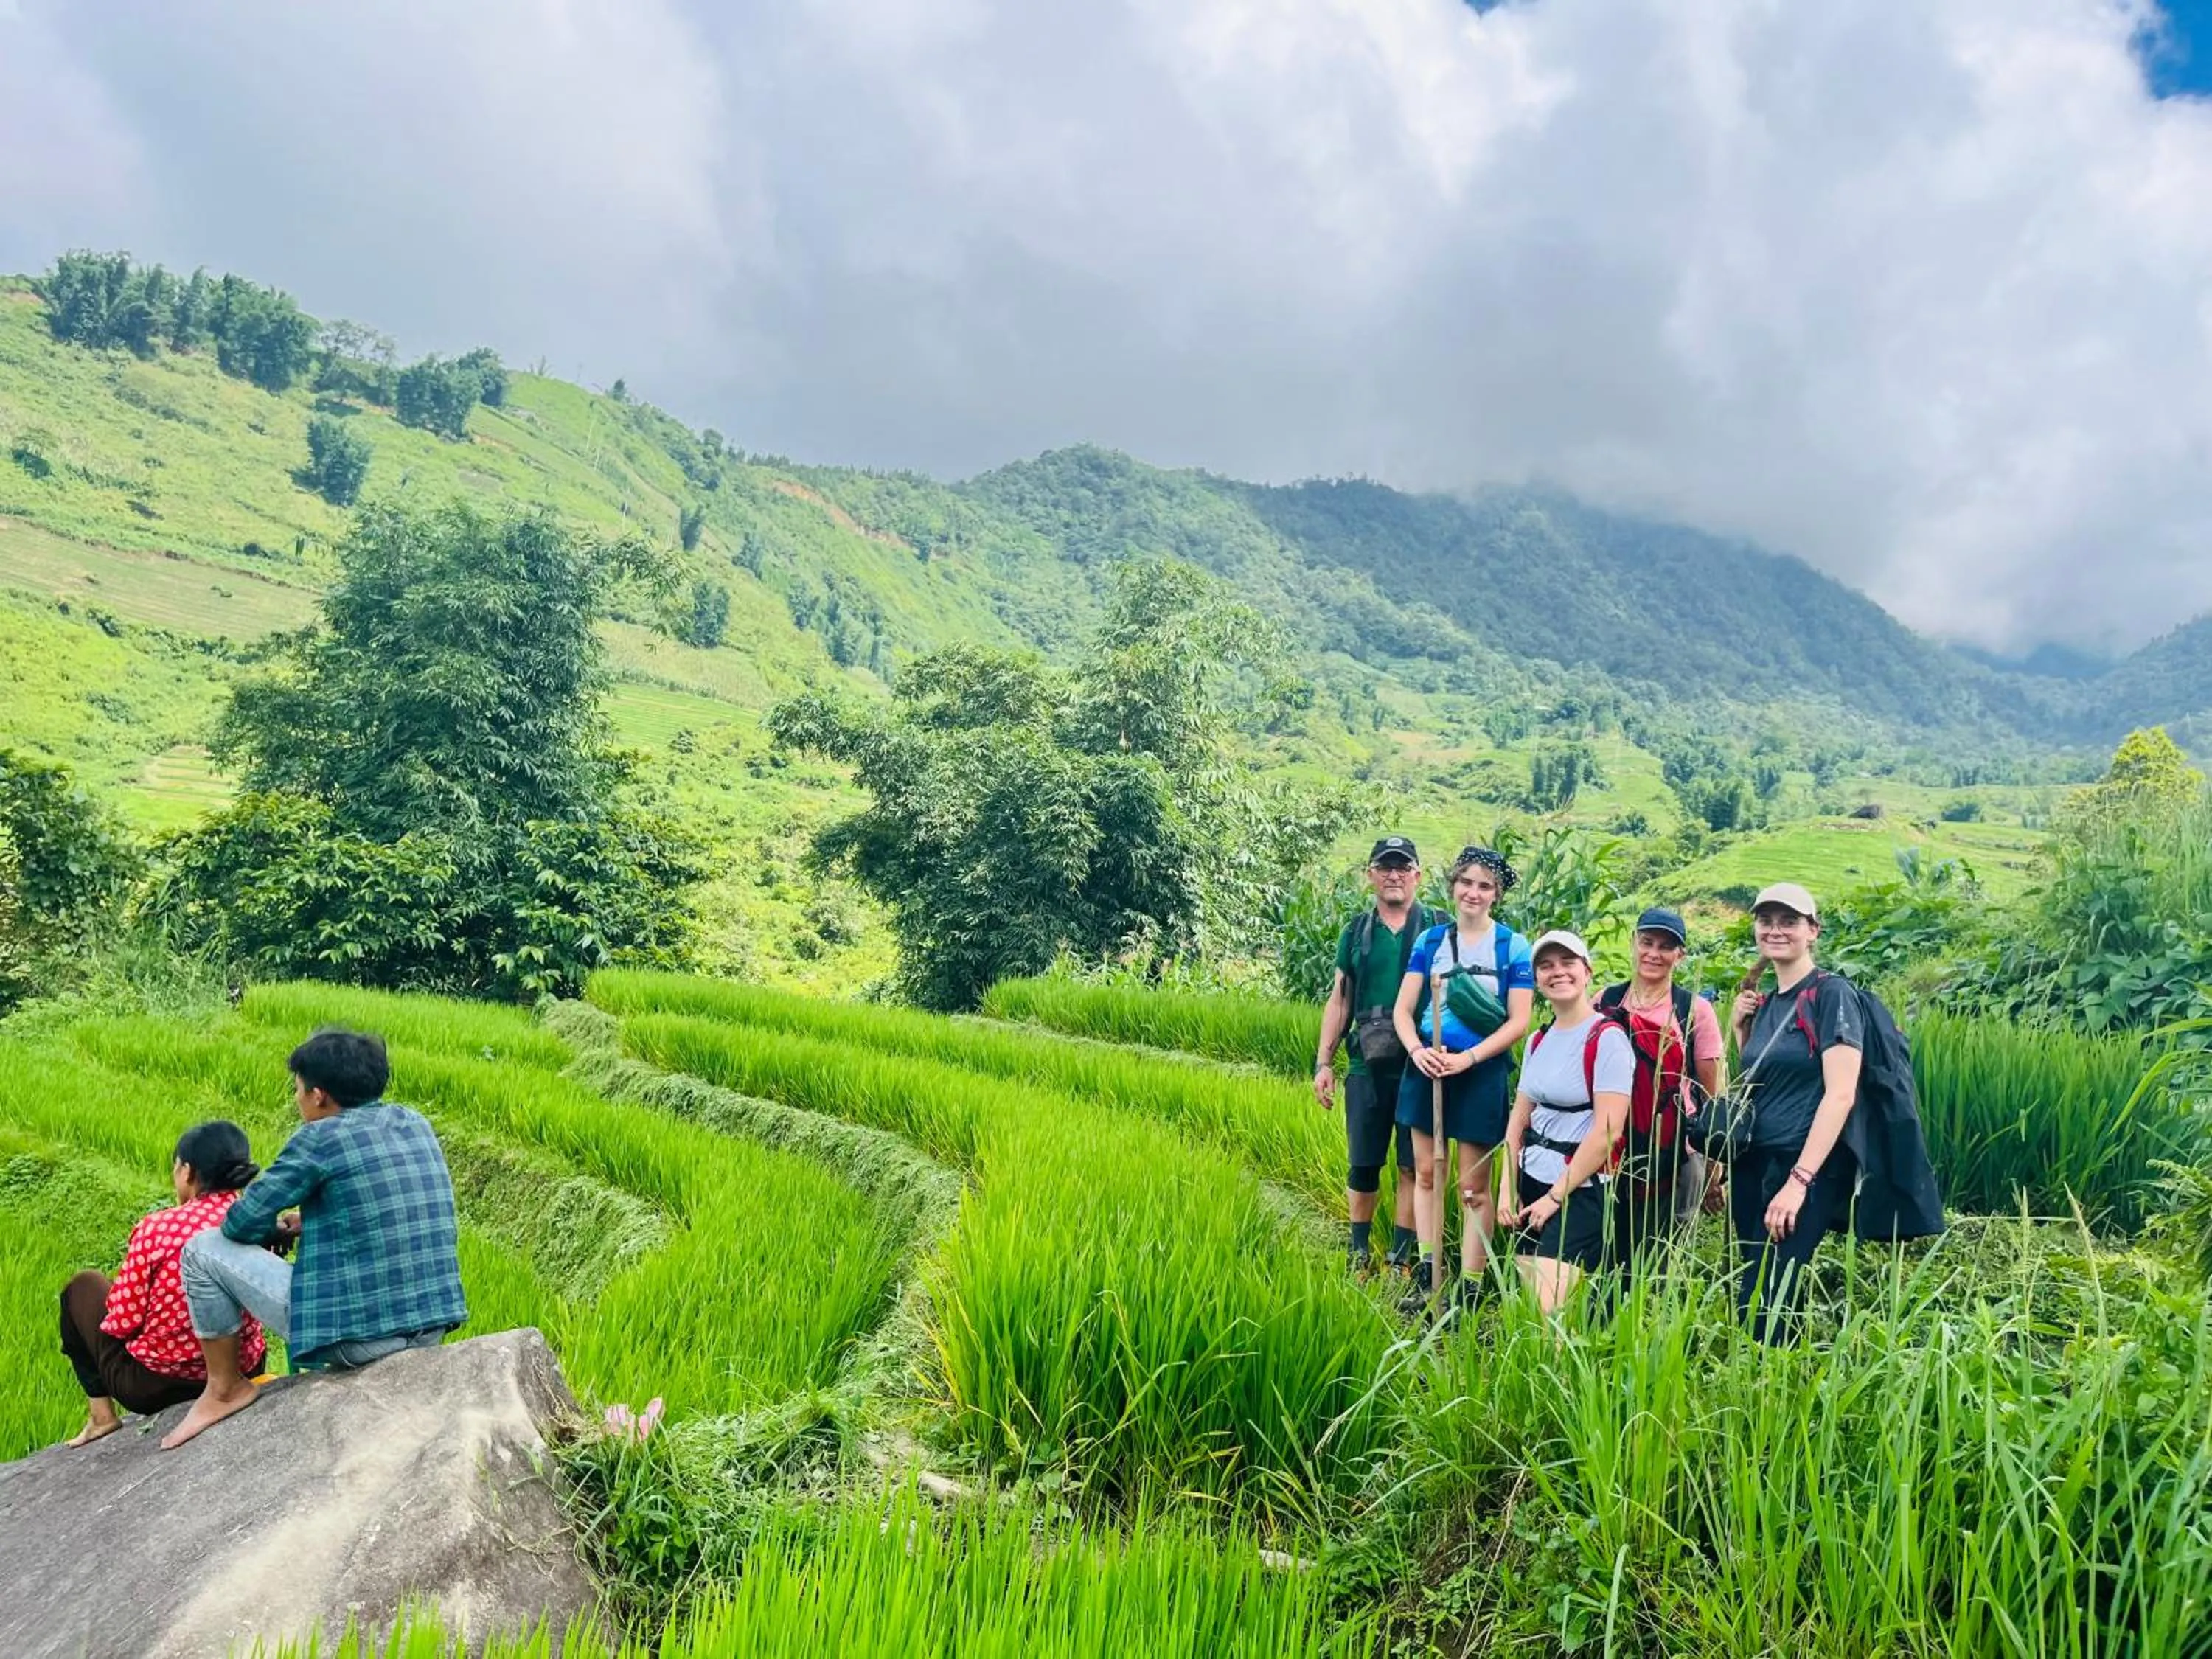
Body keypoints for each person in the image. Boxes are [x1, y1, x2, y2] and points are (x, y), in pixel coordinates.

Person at [161, 1028, 467, 1450]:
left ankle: (224, 1389)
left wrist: (271, 1228)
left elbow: (240, 1224)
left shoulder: (318, 1138)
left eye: (298, 1089)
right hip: (431, 1328)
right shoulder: (414, 1123)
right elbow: (390, 1209)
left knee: (201, 1249)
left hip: (361, 1342)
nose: (298, 1098)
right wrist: (311, 1221)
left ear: (319, 1095)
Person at [57, 1121, 270, 1447]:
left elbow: (122, 1321)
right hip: (245, 1367)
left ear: (187, 1171)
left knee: (83, 1287)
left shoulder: (158, 1229)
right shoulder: (255, 1219)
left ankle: (101, 1417)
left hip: (157, 1384)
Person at [1391, 846, 1534, 1314]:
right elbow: (1402, 1010)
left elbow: (1519, 1021)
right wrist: (1417, 1051)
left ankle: (1471, 1288)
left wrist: (1469, 1059)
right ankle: (1431, 1276)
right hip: (1427, 1065)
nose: (1474, 892)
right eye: (1466, 882)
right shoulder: (1430, 942)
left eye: (1485, 886)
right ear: (1453, 886)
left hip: (1480, 1071)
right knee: (1427, 1173)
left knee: (1474, 1187)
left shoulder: (1512, 947)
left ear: (1497, 895)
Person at [1728, 883, 1861, 1343]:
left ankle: (1775, 1394)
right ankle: (1775, 1387)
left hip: (1801, 1165)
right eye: (1766, 921)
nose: (1775, 930)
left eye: (1789, 921)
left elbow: (1841, 1094)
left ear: (1813, 931)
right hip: (1755, 1164)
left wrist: (1799, 1182)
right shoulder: (1768, 1003)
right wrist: (1741, 1030)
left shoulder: (1831, 995)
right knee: (1755, 1288)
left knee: (1766, 1298)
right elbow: (1761, 1084)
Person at [1315, 836, 1447, 1276]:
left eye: (1403, 867)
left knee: (1414, 1163)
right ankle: (1358, 1249)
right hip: (1364, 1064)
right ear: (1370, 875)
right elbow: (1340, 1001)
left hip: (1422, 1063)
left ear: (1417, 876)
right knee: (1364, 1160)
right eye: (1385, 867)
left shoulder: (1440, 929)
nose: (1394, 874)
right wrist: (1323, 1063)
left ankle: (1401, 1256)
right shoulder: (1356, 931)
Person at [1501, 931, 1632, 1315]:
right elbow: (1519, 1118)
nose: (1556, 972)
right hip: (1532, 1178)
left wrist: (1555, 1198)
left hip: (1580, 1187)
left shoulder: (1607, 1039)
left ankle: (1562, 1371)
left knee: (1547, 1307)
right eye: (1546, 965)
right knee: (1529, 1301)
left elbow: (1608, 1132)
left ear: (1587, 971)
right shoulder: (1537, 1040)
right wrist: (1507, 1186)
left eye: (1567, 963)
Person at [1596, 907, 1725, 1276]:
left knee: (1669, 1249)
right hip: (1614, 1143)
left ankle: (1657, 1321)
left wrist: (1715, 1171)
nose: (1654, 953)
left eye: (1666, 947)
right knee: (1612, 1243)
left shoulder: (1694, 1010)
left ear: (1680, 956)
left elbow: (1710, 1093)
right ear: (1634, 943)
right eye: (1647, 942)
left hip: (1678, 1148)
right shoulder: (1606, 1000)